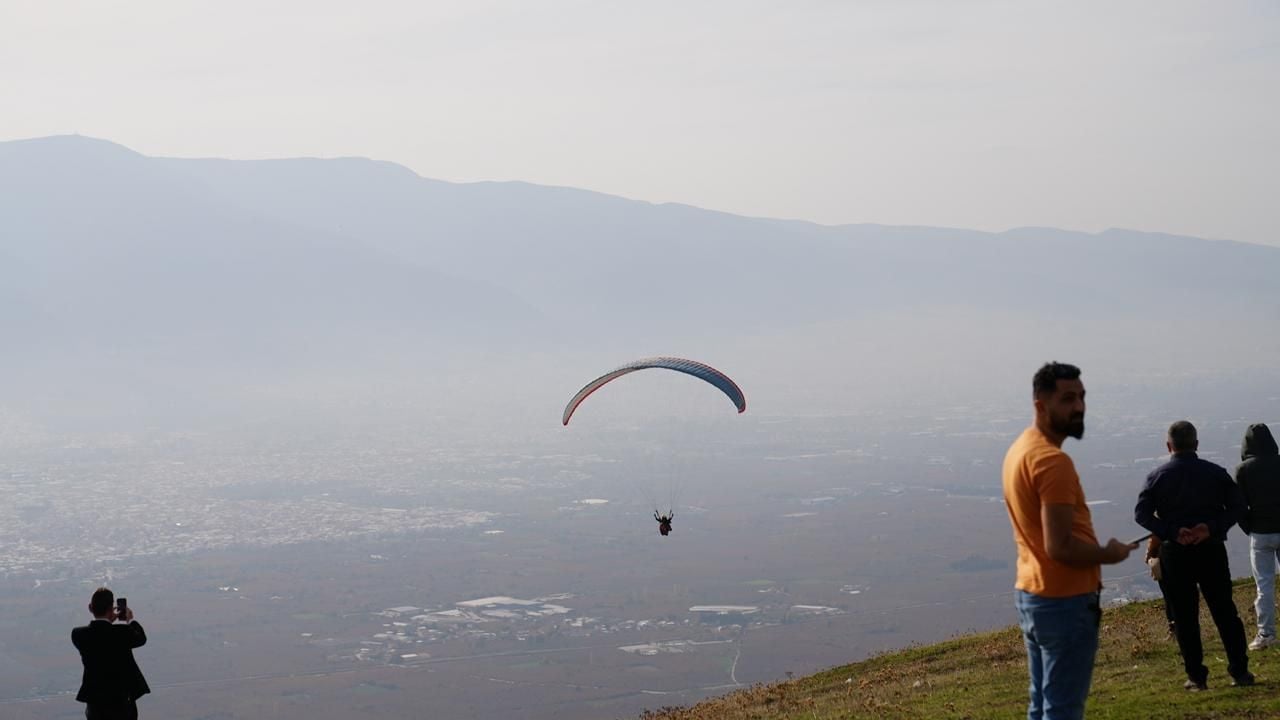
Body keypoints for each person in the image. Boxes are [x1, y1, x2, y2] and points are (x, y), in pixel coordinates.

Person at [1002, 362, 1134, 720]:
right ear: (1040, 406)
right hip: (1063, 602)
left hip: (1033, 594)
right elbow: (1059, 546)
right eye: (1067, 399)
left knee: (1042, 705)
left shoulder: (1020, 450)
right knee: (1062, 711)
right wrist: (1109, 553)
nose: (1078, 407)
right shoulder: (1052, 462)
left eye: (1081, 397)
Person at [1135, 420, 1253, 690]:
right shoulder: (1214, 473)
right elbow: (1238, 506)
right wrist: (1210, 527)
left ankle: (1196, 677)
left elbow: (1141, 514)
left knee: (1185, 617)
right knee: (1224, 611)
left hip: (1175, 553)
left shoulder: (1157, 477)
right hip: (1211, 549)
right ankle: (1240, 671)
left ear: (1169, 446)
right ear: (1196, 444)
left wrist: (1171, 531)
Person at [1234, 423, 1280, 650]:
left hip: (1260, 534)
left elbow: (1239, 506)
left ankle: (1267, 634)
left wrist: (1249, 527)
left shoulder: (1243, 470)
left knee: (1264, 586)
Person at [71, 588, 149, 719]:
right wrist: (129, 620)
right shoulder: (122, 633)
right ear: (111, 609)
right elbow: (141, 638)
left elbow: (101, 634)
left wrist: (107, 620)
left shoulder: (78, 635)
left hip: (95, 704)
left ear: (90, 608)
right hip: (122, 703)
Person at [1145, 535, 1177, 638]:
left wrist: (1149, 554)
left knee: (1169, 597)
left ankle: (1174, 629)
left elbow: (1155, 538)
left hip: (1167, 559)